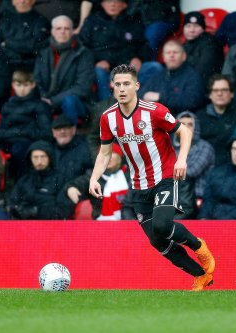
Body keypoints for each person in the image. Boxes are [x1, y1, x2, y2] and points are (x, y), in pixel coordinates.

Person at [89, 64, 216, 292]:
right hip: (138, 185)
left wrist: (182, 159)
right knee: (157, 240)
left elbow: (184, 131)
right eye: (117, 84)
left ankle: (198, 245)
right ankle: (201, 276)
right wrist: (94, 178)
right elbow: (105, 152)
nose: (122, 89)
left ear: (136, 85)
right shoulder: (108, 118)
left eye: (126, 83)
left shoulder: (154, 111)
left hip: (165, 177)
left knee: (162, 224)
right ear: (112, 87)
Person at [34, 15, 94, 125]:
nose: (62, 32)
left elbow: (82, 88)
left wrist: (53, 101)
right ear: (52, 31)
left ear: (73, 31)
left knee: (69, 100)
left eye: (66, 28)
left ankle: (72, 138)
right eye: (58, 28)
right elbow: (36, 80)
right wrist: (43, 99)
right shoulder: (43, 51)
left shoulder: (83, 53)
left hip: (75, 103)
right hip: (46, 99)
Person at [0, 70, 52, 180]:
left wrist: (19, 132)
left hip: (29, 144)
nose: (22, 89)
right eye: (18, 85)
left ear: (33, 85)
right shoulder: (8, 105)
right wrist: (20, 131)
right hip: (9, 142)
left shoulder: (40, 106)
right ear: (13, 85)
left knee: (19, 149)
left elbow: (46, 133)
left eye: (26, 85)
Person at [7, 140, 74, 220]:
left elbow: (63, 210)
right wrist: (19, 211)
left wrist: (36, 211)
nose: (39, 161)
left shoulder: (61, 179)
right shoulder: (24, 180)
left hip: (50, 227)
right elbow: (11, 204)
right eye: (35, 157)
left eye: (43, 157)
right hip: (23, 226)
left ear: (50, 157)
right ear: (30, 159)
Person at [138, 40, 205, 115]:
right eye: (168, 53)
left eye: (175, 52)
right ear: (163, 57)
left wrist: (160, 97)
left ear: (184, 56)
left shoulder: (193, 76)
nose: (171, 55)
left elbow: (192, 101)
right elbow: (140, 95)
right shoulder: (158, 76)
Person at [198, 136, 236, 220]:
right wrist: (203, 217)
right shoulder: (217, 172)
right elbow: (208, 199)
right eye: (234, 149)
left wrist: (225, 223)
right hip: (212, 222)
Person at [66, 143, 129, 220]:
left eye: (111, 153)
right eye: (105, 154)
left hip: (128, 221)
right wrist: (71, 188)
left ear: (119, 157)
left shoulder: (129, 175)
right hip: (100, 223)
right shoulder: (93, 176)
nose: (108, 157)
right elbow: (79, 183)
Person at [196, 74, 236, 165]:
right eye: (215, 90)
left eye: (224, 90)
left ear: (232, 94)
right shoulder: (199, 117)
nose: (219, 94)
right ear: (210, 95)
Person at [172, 111, 215, 215]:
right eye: (182, 125)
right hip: (174, 198)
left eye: (190, 125)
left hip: (198, 198)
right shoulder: (171, 148)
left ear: (196, 127)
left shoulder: (204, 147)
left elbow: (191, 172)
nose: (185, 128)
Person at [0, 0, 50, 72]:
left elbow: (34, 46)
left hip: (31, 68)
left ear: (33, 1)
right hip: (5, 66)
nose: (22, 1)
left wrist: (7, 43)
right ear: (12, 1)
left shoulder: (41, 21)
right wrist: (15, 55)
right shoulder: (5, 18)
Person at [182, 11, 223, 85]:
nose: (192, 30)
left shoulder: (210, 43)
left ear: (203, 29)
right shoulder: (184, 44)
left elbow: (203, 70)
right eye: (188, 26)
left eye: (196, 26)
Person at [51, 115, 92, 182]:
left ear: (73, 130)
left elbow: (92, 172)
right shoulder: (48, 150)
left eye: (66, 128)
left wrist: (76, 185)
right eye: (58, 128)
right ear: (53, 133)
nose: (62, 131)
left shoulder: (85, 149)